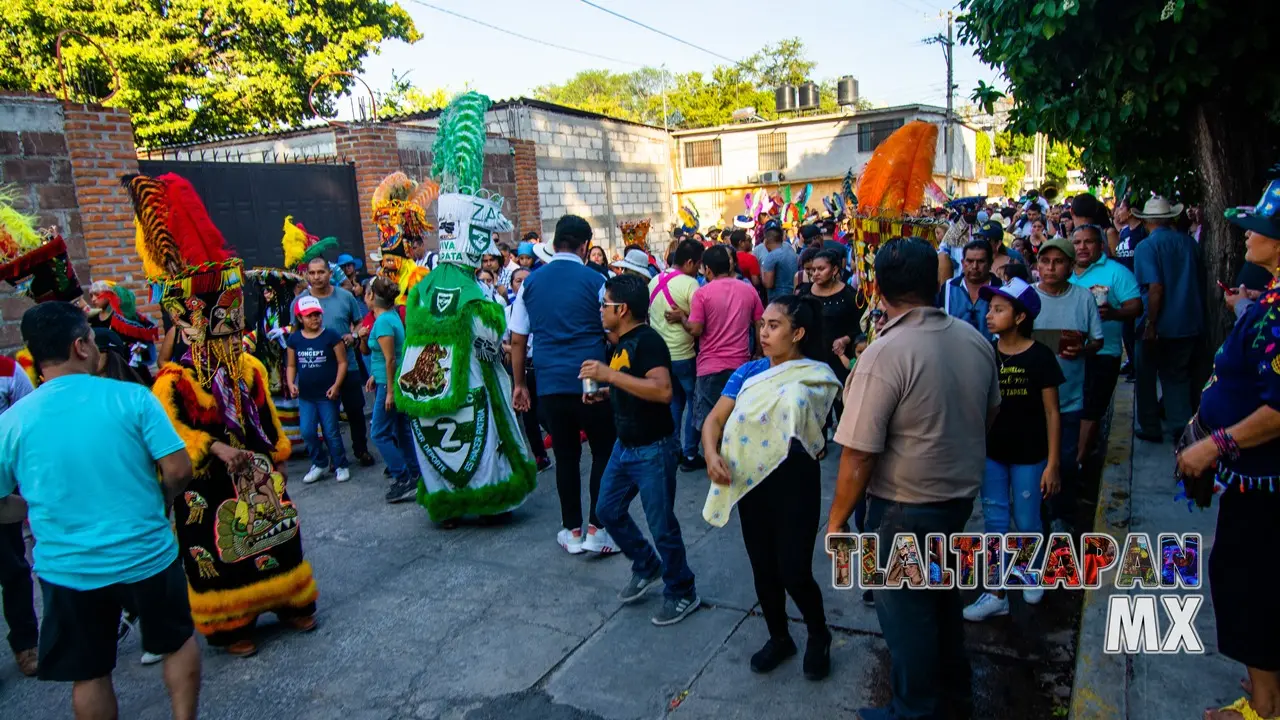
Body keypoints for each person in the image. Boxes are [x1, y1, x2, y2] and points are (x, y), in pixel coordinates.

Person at [124, 171, 318, 659]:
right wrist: (215, 446)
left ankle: (290, 599)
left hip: (255, 474)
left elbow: (266, 415)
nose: (228, 327)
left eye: (231, 316)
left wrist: (275, 451)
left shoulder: (248, 365)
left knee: (279, 533)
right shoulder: (172, 380)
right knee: (217, 546)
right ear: (188, 325)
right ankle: (231, 621)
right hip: (207, 483)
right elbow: (175, 432)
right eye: (217, 320)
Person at [827, 238, 1001, 720]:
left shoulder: (885, 353)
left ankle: (915, 709)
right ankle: (954, 698)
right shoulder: (974, 340)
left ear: (878, 289)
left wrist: (837, 520)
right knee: (942, 607)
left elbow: (858, 453)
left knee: (907, 620)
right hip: (956, 500)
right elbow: (986, 417)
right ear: (939, 281)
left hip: (904, 508)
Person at [0, 302, 201, 718]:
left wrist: (34, 508)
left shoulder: (12, 422)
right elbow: (179, 469)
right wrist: (161, 499)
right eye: (91, 338)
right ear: (81, 346)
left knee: (89, 673)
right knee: (176, 643)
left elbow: (1, 505)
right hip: (146, 554)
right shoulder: (133, 398)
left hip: (68, 569)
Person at [386, 101, 539, 526]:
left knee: (436, 445)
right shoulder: (475, 291)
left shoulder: (425, 283)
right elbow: (490, 343)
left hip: (425, 383)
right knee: (483, 437)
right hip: (470, 380)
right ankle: (487, 502)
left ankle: (447, 508)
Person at [1176, 185, 1280, 720]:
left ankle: (1264, 707)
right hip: (1252, 481)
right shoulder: (1269, 304)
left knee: (1250, 584)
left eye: (1257, 226)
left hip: (1265, 485)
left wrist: (1215, 445)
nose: (1246, 234)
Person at [701, 294, 840, 681]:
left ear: (798, 333)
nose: (763, 332)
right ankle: (779, 637)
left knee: (794, 570)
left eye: (774, 325)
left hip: (795, 482)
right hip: (750, 482)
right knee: (763, 568)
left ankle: (818, 633)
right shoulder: (747, 373)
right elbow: (714, 419)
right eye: (762, 324)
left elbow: (814, 429)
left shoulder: (816, 375)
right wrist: (712, 454)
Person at [582, 275, 700, 626]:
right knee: (607, 510)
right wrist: (605, 392)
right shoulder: (620, 343)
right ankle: (647, 565)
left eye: (605, 304)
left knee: (662, 525)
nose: (600, 309)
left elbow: (663, 391)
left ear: (623, 309)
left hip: (653, 448)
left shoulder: (647, 341)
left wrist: (609, 376)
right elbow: (634, 385)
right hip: (625, 446)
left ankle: (682, 590)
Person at [511, 214, 619, 554]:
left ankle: (571, 530)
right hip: (590, 381)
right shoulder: (597, 280)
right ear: (585, 246)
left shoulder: (530, 283)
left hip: (550, 382)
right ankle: (597, 528)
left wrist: (519, 385)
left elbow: (517, 339)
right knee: (602, 450)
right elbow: (613, 329)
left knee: (567, 455)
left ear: (554, 243)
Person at [963, 277, 1063, 621]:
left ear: (1020, 317)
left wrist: (1053, 464)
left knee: (1027, 520)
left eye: (1000, 309)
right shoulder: (985, 352)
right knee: (994, 523)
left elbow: (1052, 412)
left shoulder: (1041, 356)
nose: (990, 315)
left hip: (1030, 455)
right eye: (990, 309)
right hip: (992, 453)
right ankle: (996, 593)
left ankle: (1031, 574)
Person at [1033, 236, 1104, 534]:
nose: (1050, 268)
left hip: (1069, 399)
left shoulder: (1083, 298)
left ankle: (1063, 517)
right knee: (1034, 462)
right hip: (1032, 401)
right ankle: (1035, 518)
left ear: (1071, 266)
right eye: (1045, 261)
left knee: (1064, 460)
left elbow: (1097, 340)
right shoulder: (1026, 297)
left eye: (1058, 261)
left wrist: (1082, 350)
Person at [1132, 196, 1206, 443]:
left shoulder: (1146, 247)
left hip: (1159, 325)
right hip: (1189, 323)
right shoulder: (1189, 243)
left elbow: (1155, 288)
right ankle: (1181, 428)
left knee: (1145, 377)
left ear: (1145, 222)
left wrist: (1151, 324)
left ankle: (1151, 427)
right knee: (1178, 378)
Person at [683, 246, 764, 465]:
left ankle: (718, 462)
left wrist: (682, 319)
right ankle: (738, 461)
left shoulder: (703, 293)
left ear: (707, 269)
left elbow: (696, 329)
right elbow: (760, 323)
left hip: (710, 368)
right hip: (741, 365)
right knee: (737, 418)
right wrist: (758, 352)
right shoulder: (747, 290)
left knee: (711, 421)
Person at [1068, 224, 1142, 464]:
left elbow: (1136, 307)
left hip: (1102, 352)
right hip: (1066, 352)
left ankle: (1078, 463)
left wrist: (1113, 313)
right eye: (1077, 242)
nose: (1082, 247)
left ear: (1100, 245)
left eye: (1088, 242)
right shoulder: (1063, 270)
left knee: (1091, 409)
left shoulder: (1116, 272)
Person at [294, 257, 375, 466]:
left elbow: (359, 323)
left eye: (321, 272)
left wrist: (354, 336)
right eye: (311, 273)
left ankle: (361, 450)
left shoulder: (345, 297)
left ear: (330, 274)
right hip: (318, 370)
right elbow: (294, 336)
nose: (316, 277)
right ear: (306, 275)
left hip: (347, 364)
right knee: (326, 417)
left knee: (355, 410)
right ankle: (335, 458)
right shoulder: (300, 301)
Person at [359, 278, 420, 504]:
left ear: (373, 297)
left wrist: (390, 392)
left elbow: (391, 358)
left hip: (390, 384)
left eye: (367, 294)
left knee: (379, 433)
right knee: (402, 430)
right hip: (387, 380)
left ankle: (403, 477)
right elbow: (386, 355)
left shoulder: (384, 321)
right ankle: (415, 474)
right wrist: (376, 374)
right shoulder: (390, 316)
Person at [646, 239, 704, 470]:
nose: (699, 269)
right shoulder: (690, 285)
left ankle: (673, 449)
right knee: (693, 403)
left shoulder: (653, 281)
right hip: (684, 354)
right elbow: (698, 325)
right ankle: (690, 454)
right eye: (698, 264)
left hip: (661, 356)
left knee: (674, 403)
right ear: (690, 262)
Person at [798, 249, 862, 443]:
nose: (815, 273)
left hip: (839, 357)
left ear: (834, 269)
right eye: (813, 270)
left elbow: (859, 327)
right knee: (815, 401)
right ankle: (819, 442)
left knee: (842, 400)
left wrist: (845, 339)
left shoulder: (850, 295)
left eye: (821, 269)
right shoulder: (805, 293)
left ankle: (846, 440)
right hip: (813, 356)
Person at [286, 296, 351, 484]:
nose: (314, 319)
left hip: (327, 395)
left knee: (331, 431)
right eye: (309, 316)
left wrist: (336, 385)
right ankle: (319, 463)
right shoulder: (295, 339)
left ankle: (340, 464)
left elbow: (342, 362)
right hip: (306, 395)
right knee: (307, 431)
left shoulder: (331, 335)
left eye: (317, 315)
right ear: (300, 318)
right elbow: (291, 365)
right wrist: (291, 383)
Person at [0, 350, 36, 677]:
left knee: (13, 570)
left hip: (3, 491)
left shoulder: (9, 371)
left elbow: (29, 420)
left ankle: (26, 643)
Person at [245, 270, 305, 455]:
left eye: (270, 290)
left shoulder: (288, 308)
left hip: (288, 359)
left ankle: (304, 439)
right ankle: (287, 440)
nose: (266, 294)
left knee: (293, 397)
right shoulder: (264, 311)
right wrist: (246, 343)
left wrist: (284, 331)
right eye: (264, 291)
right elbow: (258, 332)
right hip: (271, 362)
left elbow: (298, 328)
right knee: (277, 400)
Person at [503, 267, 552, 472]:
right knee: (529, 414)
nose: (522, 284)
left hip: (542, 366)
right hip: (522, 366)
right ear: (512, 285)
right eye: (517, 280)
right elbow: (504, 342)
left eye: (526, 280)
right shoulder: (507, 312)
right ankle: (539, 456)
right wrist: (516, 348)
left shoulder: (543, 307)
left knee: (544, 410)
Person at [937, 238, 1002, 334]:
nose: (975, 266)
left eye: (980, 261)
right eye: (970, 261)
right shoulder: (948, 288)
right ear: (963, 263)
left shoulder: (1001, 289)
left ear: (990, 263)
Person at [761, 219, 799, 302]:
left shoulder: (771, 257)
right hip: (793, 295)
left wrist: (762, 270)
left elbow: (768, 284)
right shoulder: (790, 249)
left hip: (778, 299)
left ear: (766, 241)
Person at [730, 228, 763, 293]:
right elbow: (756, 282)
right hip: (749, 292)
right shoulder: (750, 258)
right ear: (741, 243)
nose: (750, 243)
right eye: (748, 240)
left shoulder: (729, 257)